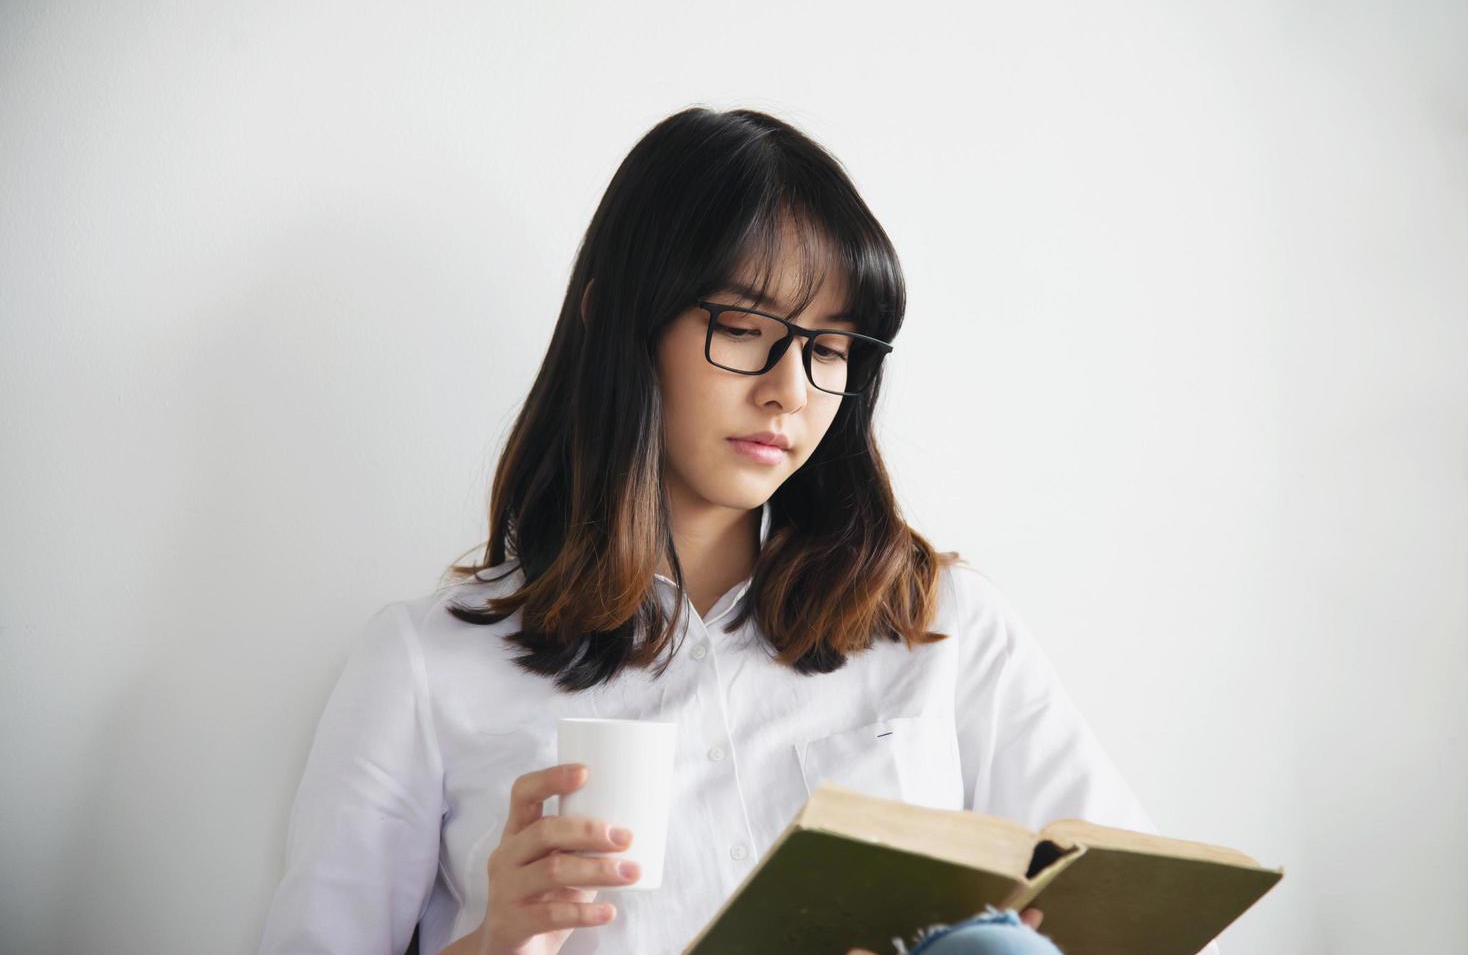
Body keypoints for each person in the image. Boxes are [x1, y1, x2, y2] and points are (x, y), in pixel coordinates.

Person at [257, 106, 1219, 955]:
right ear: (621, 322)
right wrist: (499, 942)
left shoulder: (943, 625)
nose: (790, 392)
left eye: (831, 348)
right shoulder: (429, 666)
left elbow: (1130, 914)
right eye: (746, 326)